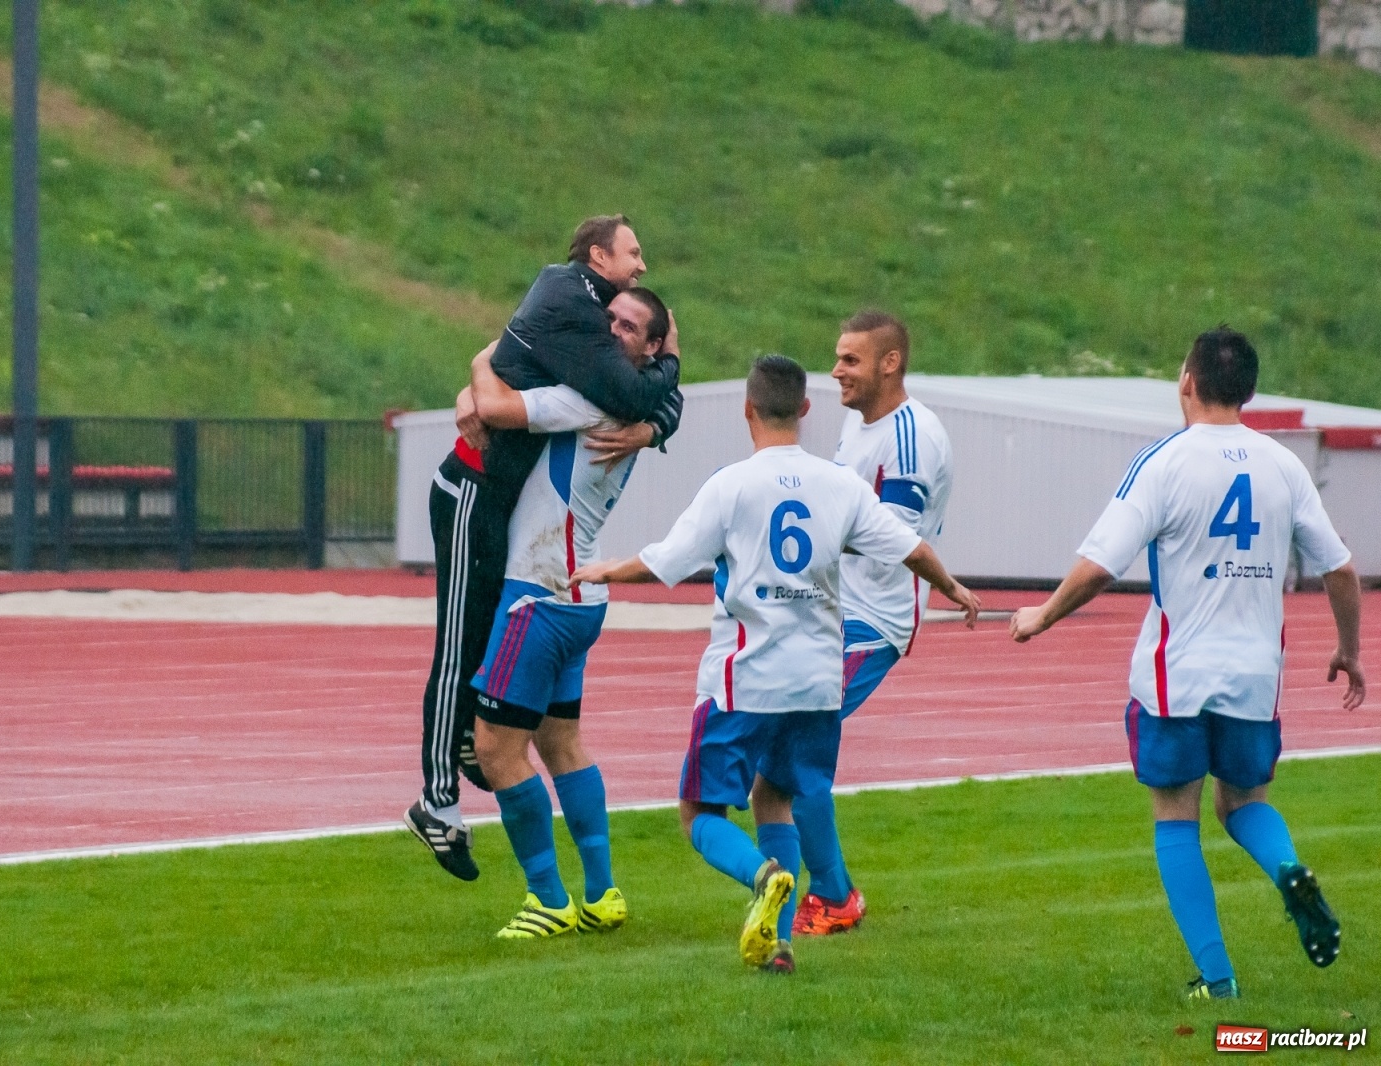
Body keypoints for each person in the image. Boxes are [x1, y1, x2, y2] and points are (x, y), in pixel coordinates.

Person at [571, 356, 979, 973]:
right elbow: (911, 548)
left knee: (699, 815)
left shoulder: (732, 484)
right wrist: (952, 588)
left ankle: (762, 876)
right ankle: (778, 946)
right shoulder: (840, 484)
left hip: (746, 678)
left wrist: (606, 569)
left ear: (747, 408)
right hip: (817, 682)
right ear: (806, 410)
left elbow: (667, 561)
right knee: (774, 797)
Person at [1009, 326, 1365, 1001]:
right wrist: (1348, 649)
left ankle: (1218, 980)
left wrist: (1043, 615)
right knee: (1243, 804)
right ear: (1249, 391)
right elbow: (1341, 569)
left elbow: (1101, 564)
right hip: (1255, 677)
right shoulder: (1283, 465)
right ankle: (1288, 869)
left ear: (1188, 382)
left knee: (1176, 816)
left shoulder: (1164, 461)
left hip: (1177, 677)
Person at [407, 215, 682, 881]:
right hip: (474, 486)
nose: (641, 264)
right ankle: (437, 799)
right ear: (598, 257)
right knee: (460, 641)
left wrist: (656, 418)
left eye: (627, 328)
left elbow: (631, 392)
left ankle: (467, 763)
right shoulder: (570, 305)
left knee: (494, 665)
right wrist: (479, 373)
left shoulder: (591, 358)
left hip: (518, 529)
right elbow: (612, 390)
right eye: (633, 252)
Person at [465, 286, 671, 938]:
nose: (610, 329)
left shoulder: (586, 400)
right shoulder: (636, 403)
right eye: (609, 317)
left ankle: (547, 899)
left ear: (652, 349)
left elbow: (494, 407)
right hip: (579, 592)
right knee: (561, 744)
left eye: (629, 326)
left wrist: (482, 362)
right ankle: (602, 893)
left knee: (494, 749)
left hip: (539, 594)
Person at [771, 310, 953, 938]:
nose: (836, 370)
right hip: (835, 609)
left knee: (792, 752)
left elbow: (893, 536)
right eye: (838, 356)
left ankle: (832, 895)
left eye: (850, 359)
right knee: (782, 754)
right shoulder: (860, 422)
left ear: (889, 363)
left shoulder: (911, 436)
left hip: (874, 621)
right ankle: (814, 893)